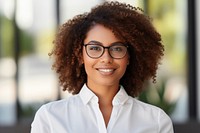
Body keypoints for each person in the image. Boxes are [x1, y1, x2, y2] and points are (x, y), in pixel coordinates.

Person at [31, 1, 174, 133]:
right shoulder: (50, 118)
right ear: (80, 55)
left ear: (129, 56)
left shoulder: (157, 122)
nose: (106, 58)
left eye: (117, 49)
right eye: (94, 48)